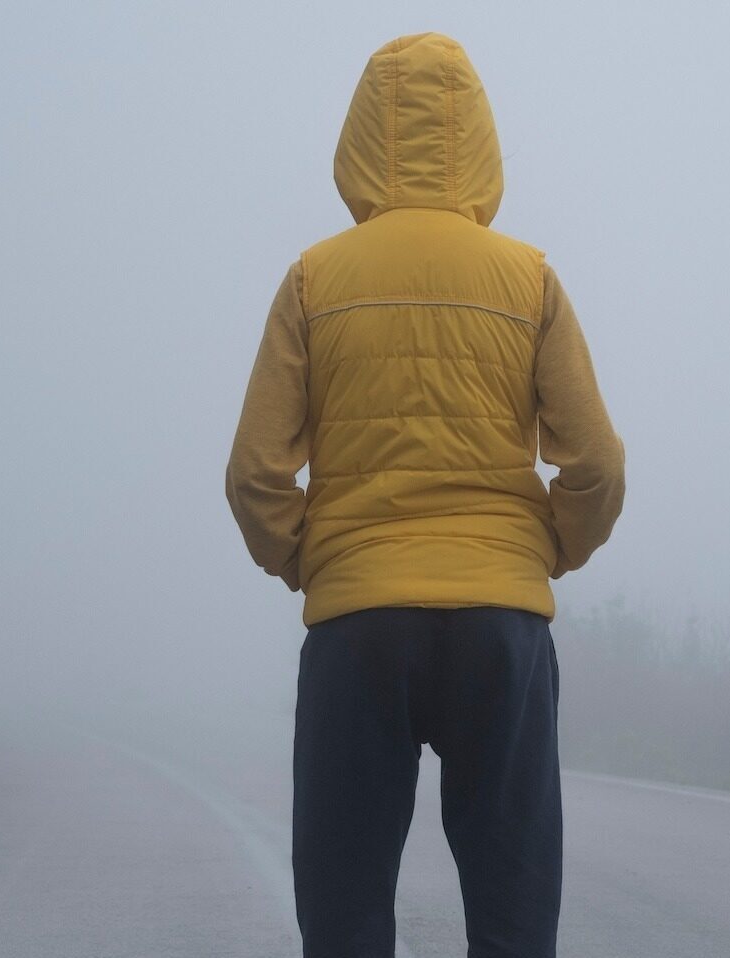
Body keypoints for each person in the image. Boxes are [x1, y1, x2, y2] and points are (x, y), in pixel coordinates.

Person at [224, 32, 627, 958]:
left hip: (359, 622)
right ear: (480, 140)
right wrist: (542, 550)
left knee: (346, 908)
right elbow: (596, 463)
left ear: (360, 140)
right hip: (502, 626)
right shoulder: (528, 279)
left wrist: (313, 556)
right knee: (515, 908)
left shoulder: (314, 278)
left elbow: (254, 472)